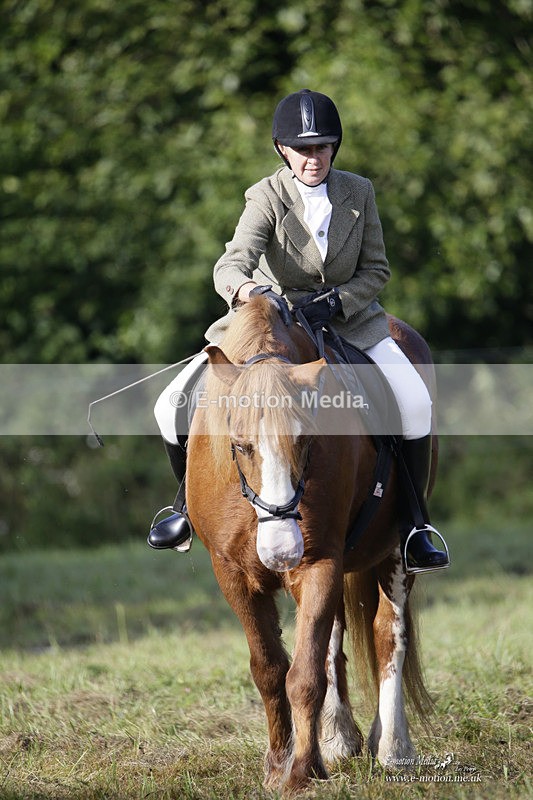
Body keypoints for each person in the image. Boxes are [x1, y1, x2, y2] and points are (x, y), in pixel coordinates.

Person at [148, 88, 449, 573]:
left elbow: (376, 270)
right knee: (170, 405)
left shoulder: (359, 192)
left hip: (349, 322)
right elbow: (231, 265)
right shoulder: (266, 196)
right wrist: (253, 292)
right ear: (282, 150)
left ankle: (415, 526)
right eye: (303, 149)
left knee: (414, 402)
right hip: (273, 323)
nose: (314, 158)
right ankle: (184, 509)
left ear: (335, 147)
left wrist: (338, 300)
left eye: (322, 146)